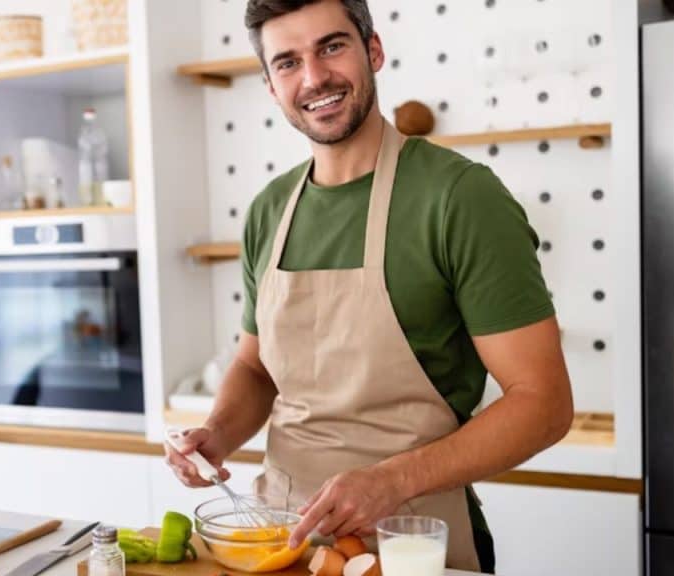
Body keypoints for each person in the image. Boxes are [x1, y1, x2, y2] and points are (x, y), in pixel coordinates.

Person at [163, 1, 574, 573]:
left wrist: (392, 480)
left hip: (415, 538)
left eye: (331, 47)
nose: (314, 78)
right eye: (287, 62)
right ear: (269, 84)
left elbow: (544, 404)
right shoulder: (269, 211)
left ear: (373, 51)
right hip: (283, 541)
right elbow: (256, 369)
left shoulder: (460, 198)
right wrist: (215, 434)